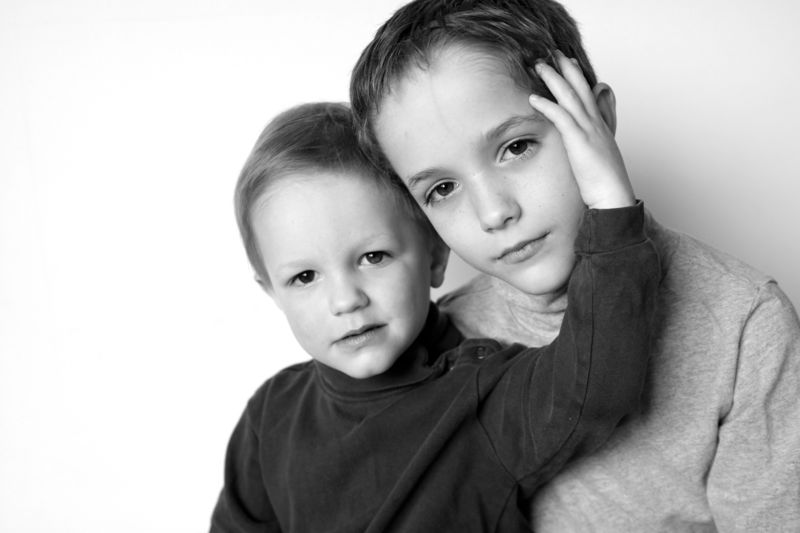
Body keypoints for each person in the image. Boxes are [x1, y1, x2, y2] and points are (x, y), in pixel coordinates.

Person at [349, 0, 800, 530]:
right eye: (442, 189)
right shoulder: (446, 337)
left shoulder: (743, 323)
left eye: (516, 147)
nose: (494, 212)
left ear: (600, 117)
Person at [209, 101, 659, 531]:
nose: (346, 300)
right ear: (271, 292)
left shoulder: (479, 393)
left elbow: (600, 383)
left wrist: (610, 206)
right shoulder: (270, 416)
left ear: (434, 256)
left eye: (373, 257)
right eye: (305, 277)